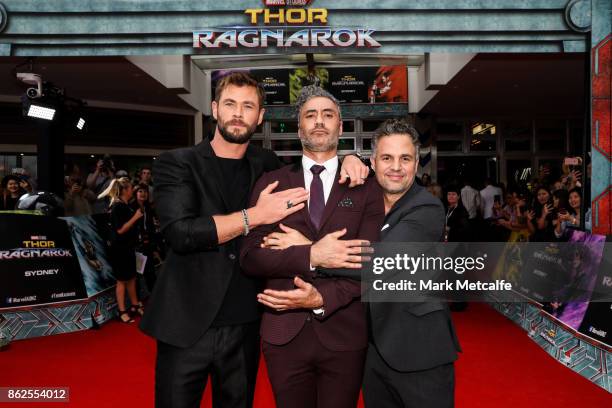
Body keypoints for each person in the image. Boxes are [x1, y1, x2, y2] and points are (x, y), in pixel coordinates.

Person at [139, 72, 367, 408]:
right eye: (230, 104)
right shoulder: (177, 163)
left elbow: (314, 166)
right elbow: (181, 234)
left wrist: (348, 159)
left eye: (248, 106)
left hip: (246, 322)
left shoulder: (266, 165)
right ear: (215, 108)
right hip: (186, 320)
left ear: (260, 117)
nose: (237, 113)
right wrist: (254, 217)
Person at [259, 119, 460, 408]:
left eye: (405, 159)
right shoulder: (366, 198)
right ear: (374, 163)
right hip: (371, 350)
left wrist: (309, 250)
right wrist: (349, 159)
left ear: (416, 165)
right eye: (387, 158)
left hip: (419, 350)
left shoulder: (426, 209)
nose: (396, 167)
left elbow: (381, 265)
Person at [240, 86, 384, 408]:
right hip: (282, 335)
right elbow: (252, 258)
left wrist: (321, 297)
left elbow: (369, 264)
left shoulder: (366, 188)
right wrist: (312, 254)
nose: (319, 121)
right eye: (310, 115)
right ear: (298, 127)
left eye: (328, 114)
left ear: (341, 126)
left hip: (344, 333)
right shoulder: (272, 183)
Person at [98, 177, 144, 323]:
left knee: (131, 277)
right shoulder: (118, 207)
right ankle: (122, 311)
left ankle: (135, 305)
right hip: (120, 249)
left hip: (128, 247)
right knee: (122, 281)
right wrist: (136, 217)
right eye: (130, 188)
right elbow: (120, 230)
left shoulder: (125, 205)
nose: (133, 190)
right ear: (124, 190)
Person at [131, 183, 161, 292]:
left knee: (150, 272)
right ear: (135, 193)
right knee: (138, 274)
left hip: (148, 244)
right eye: (140, 191)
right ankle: (138, 301)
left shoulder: (148, 208)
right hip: (137, 246)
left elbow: (151, 228)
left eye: (145, 191)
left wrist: (154, 246)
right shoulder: (131, 208)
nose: (143, 194)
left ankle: (154, 295)